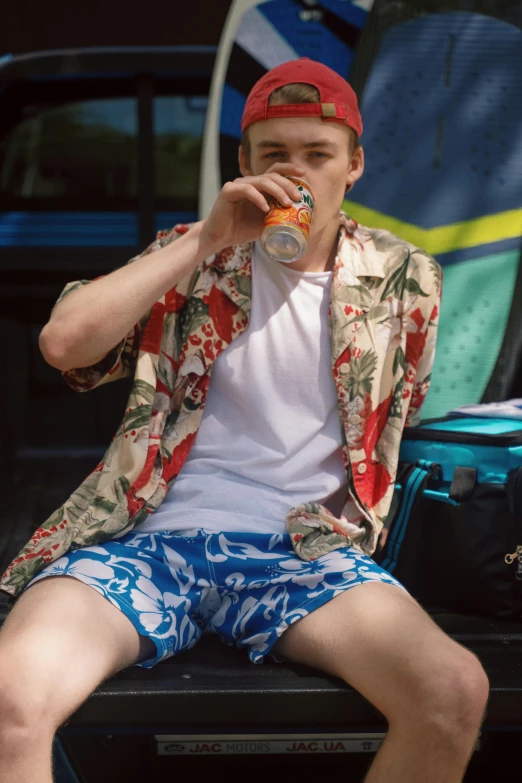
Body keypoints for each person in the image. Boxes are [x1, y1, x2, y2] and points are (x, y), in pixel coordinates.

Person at [0, 58, 487, 783]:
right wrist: (205, 239)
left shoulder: (404, 277)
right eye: (274, 155)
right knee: (12, 695)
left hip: (298, 550)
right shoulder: (191, 254)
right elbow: (64, 344)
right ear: (242, 164)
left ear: (354, 165)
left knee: (452, 691)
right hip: (149, 541)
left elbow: (399, 409)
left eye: (317, 155)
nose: (295, 173)